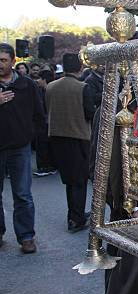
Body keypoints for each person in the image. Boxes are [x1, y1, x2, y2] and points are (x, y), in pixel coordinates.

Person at [0, 43, 44, 253]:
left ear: (13, 61)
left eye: (3, 60)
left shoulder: (27, 85)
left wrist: (29, 135)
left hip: (20, 148)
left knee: (23, 194)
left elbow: (38, 114)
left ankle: (26, 237)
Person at [46, 53, 96, 233]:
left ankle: (73, 214)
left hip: (57, 137)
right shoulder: (82, 87)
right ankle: (77, 218)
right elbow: (90, 113)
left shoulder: (50, 86)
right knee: (80, 180)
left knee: (69, 180)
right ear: (80, 67)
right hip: (79, 137)